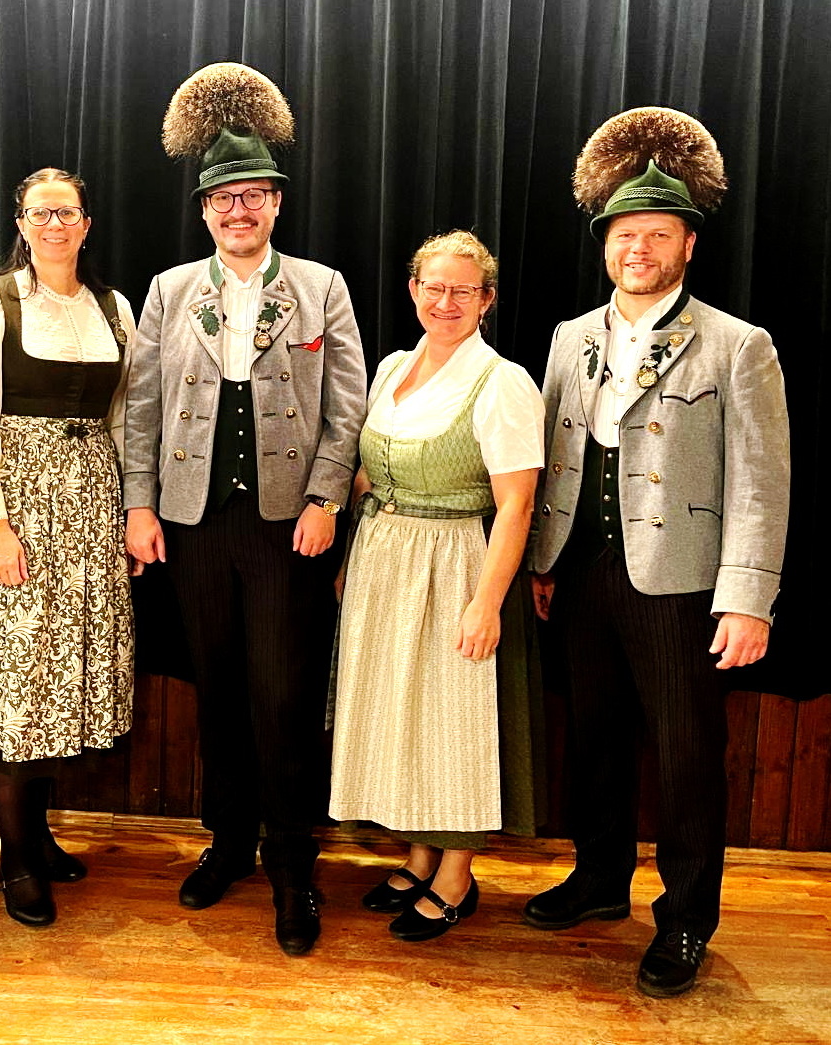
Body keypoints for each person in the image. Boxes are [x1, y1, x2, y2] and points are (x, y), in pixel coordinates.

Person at [525, 108, 790, 997]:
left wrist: (746, 596)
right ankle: (599, 878)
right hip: (582, 569)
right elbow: (555, 453)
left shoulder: (737, 344)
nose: (637, 248)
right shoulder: (571, 336)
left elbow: (760, 481)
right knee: (593, 739)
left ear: (687, 246)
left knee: (683, 756)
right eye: (624, 235)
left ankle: (684, 919)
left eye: (656, 235)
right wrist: (542, 562)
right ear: (606, 244)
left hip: (680, 583)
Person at [123, 63, 367, 955]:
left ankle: (292, 865)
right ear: (204, 210)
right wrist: (139, 505)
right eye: (224, 198)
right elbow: (141, 406)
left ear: (275, 205)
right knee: (218, 687)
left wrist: (325, 496)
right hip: (191, 521)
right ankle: (227, 842)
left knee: (284, 693)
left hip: (284, 524)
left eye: (253, 196)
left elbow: (348, 405)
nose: (239, 210)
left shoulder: (321, 287)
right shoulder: (167, 290)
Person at [0, 167, 135, 927]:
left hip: (89, 507)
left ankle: (37, 837)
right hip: (16, 505)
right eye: (40, 213)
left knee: (56, 682)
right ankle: (14, 857)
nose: (54, 225)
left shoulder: (114, 308)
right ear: (20, 222)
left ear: (86, 223)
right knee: (13, 680)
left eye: (66, 212)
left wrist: (123, 514)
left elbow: (123, 415)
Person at [329, 231, 545, 942]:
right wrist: (348, 557)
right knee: (404, 710)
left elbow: (516, 504)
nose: (445, 301)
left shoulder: (503, 382)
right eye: (433, 287)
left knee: (454, 719)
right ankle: (419, 853)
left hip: (455, 561)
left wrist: (486, 602)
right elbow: (367, 472)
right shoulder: (393, 366)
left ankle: (455, 873)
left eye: (462, 290)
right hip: (384, 558)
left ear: (486, 300)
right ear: (413, 290)